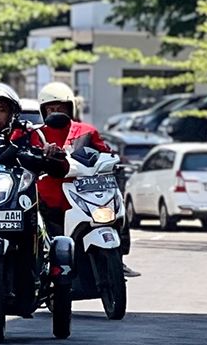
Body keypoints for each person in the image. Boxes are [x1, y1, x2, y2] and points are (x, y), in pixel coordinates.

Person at [34, 81, 138, 277]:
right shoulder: (38, 134)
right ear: (43, 110)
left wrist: (115, 159)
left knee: (117, 209)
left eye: (61, 108)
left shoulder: (86, 130)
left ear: (70, 108)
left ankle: (119, 258)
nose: (56, 112)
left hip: (85, 192)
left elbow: (104, 151)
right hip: (51, 197)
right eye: (51, 108)